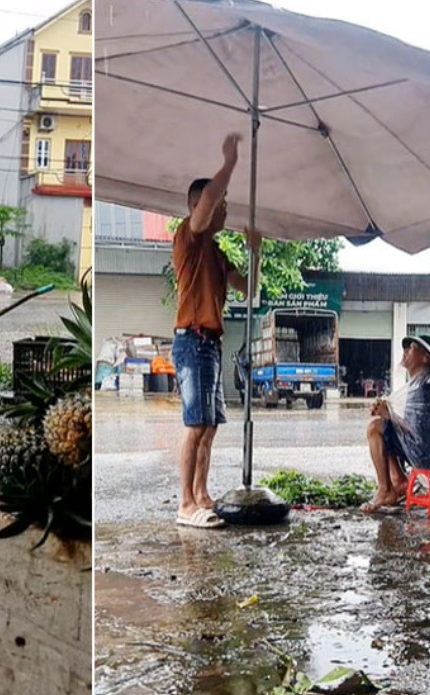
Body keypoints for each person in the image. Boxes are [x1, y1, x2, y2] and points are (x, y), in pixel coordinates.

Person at [171, 133, 261, 529]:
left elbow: (250, 288)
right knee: (195, 426)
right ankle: (185, 503)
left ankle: (201, 494)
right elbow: (207, 200)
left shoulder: (217, 253)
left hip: (209, 345)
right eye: (219, 204)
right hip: (192, 340)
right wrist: (230, 163)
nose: (223, 209)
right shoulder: (189, 238)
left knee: (208, 427)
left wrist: (256, 250)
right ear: (198, 208)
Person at [361, 334, 430, 512]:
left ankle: (386, 490)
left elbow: (421, 437)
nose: (406, 351)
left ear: (426, 358)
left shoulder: (427, 389)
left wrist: (389, 415)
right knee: (385, 426)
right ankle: (399, 481)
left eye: (412, 348)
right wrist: (388, 415)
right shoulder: (425, 386)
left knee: (375, 428)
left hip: (429, 457)